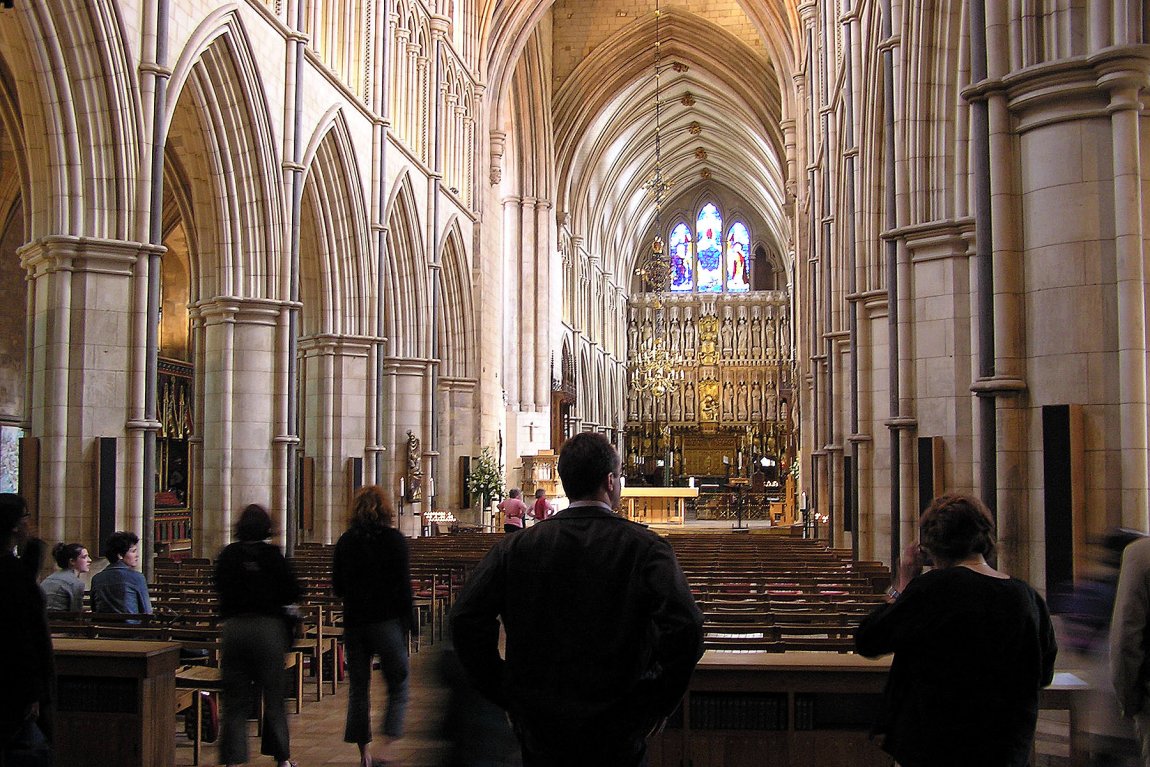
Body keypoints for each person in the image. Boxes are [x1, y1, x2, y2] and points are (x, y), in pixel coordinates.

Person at [450, 431, 705, 766]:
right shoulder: (644, 548)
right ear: (610, 481)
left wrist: (508, 693)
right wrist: (655, 702)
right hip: (619, 724)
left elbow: (465, 619)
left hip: (543, 724)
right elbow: (686, 627)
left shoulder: (516, 548)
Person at [855, 493, 1057, 767]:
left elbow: (869, 639)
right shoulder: (1028, 597)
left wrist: (902, 584)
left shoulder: (933, 589)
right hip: (1005, 750)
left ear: (930, 545)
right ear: (985, 538)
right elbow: (1043, 674)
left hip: (937, 748)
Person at [213, 504, 300, 767]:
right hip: (267, 629)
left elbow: (218, 585)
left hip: (235, 629)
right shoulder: (272, 555)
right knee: (274, 698)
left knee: (235, 702)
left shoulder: (228, 555)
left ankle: (232, 761)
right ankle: (282, 759)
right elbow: (293, 590)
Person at [333, 485, 413, 767]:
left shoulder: (346, 541)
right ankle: (385, 748)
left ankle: (364, 755)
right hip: (386, 621)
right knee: (399, 682)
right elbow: (403, 586)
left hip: (356, 622)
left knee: (358, 689)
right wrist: (409, 622)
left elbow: (338, 586)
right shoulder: (393, 540)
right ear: (386, 509)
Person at [0, 493, 54, 764]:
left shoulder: (15, 570)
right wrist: (33, 693)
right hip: (12, 688)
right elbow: (21, 636)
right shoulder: (11, 573)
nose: (29, 524)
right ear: (14, 525)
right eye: (26, 518)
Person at [90, 530, 152, 615]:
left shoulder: (96, 578)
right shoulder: (137, 577)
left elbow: (94, 608)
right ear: (120, 555)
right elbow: (147, 612)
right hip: (131, 626)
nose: (137, 555)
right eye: (133, 551)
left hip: (102, 626)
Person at [39, 542, 91, 612]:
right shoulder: (76, 583)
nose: (89, 560)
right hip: (60, 621)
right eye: (84, 557)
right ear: (72, 561)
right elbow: (76, 614)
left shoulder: (50, 577)